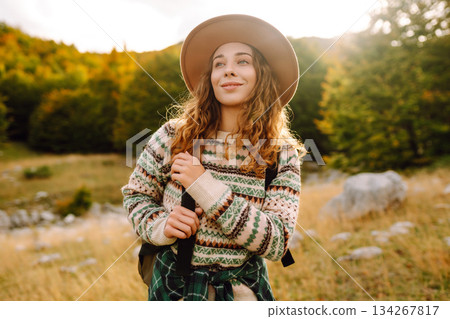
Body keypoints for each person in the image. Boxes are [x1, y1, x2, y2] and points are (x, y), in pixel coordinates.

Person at [121, 14, 306, 301]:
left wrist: (205, 186)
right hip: (175, 290)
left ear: (263, 75)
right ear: (211, 78)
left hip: (244, 292)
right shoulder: (173, 136)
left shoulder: (281, 153)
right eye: (219, 64)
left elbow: (276, 242)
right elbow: (136, 196)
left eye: (242, 61)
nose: (228, 71)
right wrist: (161, 226)